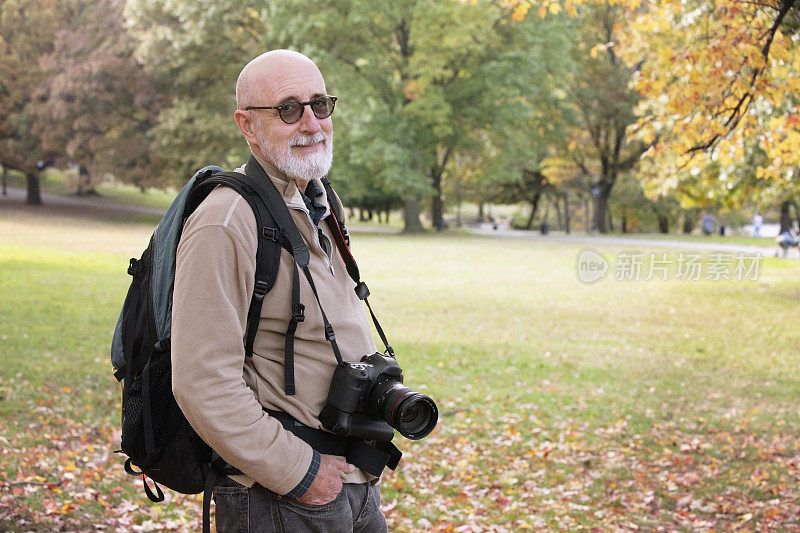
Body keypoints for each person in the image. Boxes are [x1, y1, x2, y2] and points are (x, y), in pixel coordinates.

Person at [171, 50, 388, 532]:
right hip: (282, 497)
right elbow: (202, 381)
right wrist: (301, 474)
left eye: (320, 105)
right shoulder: (226, 222)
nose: (311, 122)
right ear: (248, 126)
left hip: (352, 483)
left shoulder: (322, 200)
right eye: (289, 109)